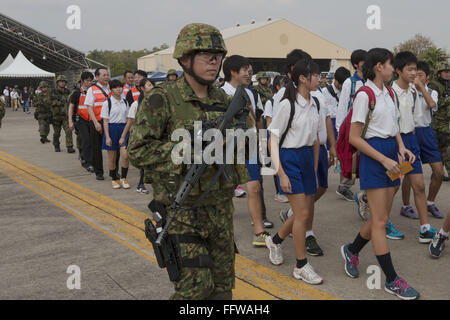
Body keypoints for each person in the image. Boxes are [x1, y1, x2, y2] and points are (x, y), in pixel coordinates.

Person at [128, 23, 251, 300]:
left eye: (217, 56)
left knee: (222, 291)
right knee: (195, 292)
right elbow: (137, 150)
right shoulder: (162, 99)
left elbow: (244, 147)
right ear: (184, 59)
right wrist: (187, 151)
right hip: (181, 212)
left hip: (220, 210)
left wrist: (238, 136)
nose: (214, 61)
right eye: (206, 55)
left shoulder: (224, 100)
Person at [341, 48, 419, 300]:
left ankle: (351, 249)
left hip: (390, 154)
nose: (391, 68)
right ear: (378, 67)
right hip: (375, 157)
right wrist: (384, 158)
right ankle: (392, 280)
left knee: (380, 217)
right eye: (389, 64)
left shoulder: (387, 92)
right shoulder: (365, 95)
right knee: (380, 222)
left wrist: (401, 148)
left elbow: (394, 126)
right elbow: (354, 137)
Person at [266, 58, 323, 285]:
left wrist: (316, 168)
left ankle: (276, 240)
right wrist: (280, 172)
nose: (319, 79)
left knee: (303, 211)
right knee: (302, 215)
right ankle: (301, 266)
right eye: (316, 75)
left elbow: (316, 139)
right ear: (302, 78)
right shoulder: (287, 104)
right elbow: (273, 138)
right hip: (290, 159)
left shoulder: (315, 102)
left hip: (308, 158)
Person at [222, 55, 273, 247]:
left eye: (250, 71)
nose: (249, 74)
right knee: (225, 190)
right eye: (245, 70)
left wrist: (261, 144)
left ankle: (259, 232)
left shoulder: (251, 93)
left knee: (255, 187)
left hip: (250, 144)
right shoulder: (220, 93)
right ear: (233, 72)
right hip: (228, 147)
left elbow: (256, 119)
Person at [392, 51, 437, 243]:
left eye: (415, 70)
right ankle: (378, 213)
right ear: (398, 71)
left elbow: (417, 117)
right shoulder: (390, 92)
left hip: (411, 141)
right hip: (397, 143)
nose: (413, 73)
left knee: (418, 185)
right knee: (391, 185)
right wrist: (399, 144)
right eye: (409, 70)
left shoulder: (412, 91)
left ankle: (425, 228)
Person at [408, 61, 445, 218]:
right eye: (414, 74)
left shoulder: (431, 91)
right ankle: (405, 205)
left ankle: (430, 202)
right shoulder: (407, 91)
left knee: (438, 171)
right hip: (411, 133)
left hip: (427, 133)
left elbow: (431, 104)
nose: (416, 77)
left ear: (427, 78)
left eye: (420, 75)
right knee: (408, 172)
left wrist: (421, 87)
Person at [121, 77, 154, 194]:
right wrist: (123, 137)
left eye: (152, 85)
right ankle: (141, 184)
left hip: (153, 137)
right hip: (140, 137)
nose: (152, 87)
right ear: (142, 88)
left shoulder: (156, 103)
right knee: (143, 161)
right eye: (149, 85)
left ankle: (146, 183)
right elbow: (129, 122)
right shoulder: (136, 104)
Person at [101, 80, 130, 190]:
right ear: (111, 89)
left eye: (120, 87)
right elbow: (105, 121)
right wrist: (107, 136)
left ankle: (124, 177)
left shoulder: (125, 102)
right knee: (112, 157)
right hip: (111, 129)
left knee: (125, 155)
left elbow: (128, 118)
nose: (118, 89)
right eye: (115, 87)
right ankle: (114, 178)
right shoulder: (107, 103)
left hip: (123, 129)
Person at [265, 75, 289, 203]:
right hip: (274, 134)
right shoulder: (271, 102)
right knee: (277, 164)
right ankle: (279, 192)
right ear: (277, 87)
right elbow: (269, 121)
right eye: (282, 85)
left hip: (284, 134)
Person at [85, 67, 111, 180]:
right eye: (103, 75)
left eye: (107, 75)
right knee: (96, 148)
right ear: (97, 77)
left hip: (110, 121)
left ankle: (113, 171)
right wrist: (95, 122)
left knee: (112, 147)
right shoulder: (92, 89)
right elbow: (89, 107)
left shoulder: (112, 88)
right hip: (97, 121)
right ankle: (99, 172)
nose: (106, 77)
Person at [68, 71, 94, 172]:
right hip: (80, 120)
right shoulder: (76, 93)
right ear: (82, 81)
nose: (90, 83)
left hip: (92, 120)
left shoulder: (93, 92)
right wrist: (70, 121)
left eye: (91, 81)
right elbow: (71, 107)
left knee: (92, 141)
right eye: (87, 81)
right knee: (86, 140)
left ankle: (85, 156)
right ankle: (87, 162)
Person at [429, 61, 450, 182]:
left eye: (449, 72)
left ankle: (437, 173)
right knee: (446, 148)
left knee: (442, 149)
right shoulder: (434, 86)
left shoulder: (447, 84)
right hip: (438, 122)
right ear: (439, 73)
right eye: (445, 72)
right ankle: (438, 173)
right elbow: (433, 104)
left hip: (447, 121)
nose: (447, 74)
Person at [322, 67, 351, 147]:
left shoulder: (348, 92)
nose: (342, 86)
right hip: (329, 126)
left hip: (343, 125)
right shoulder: (324, 92)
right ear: (335, 79)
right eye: (340, 84)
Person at [51, 75, 74, 153]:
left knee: (68, 131)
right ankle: (56, 145)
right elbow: (48, 102)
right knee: (57, 133)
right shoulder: (53, 92)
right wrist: (58, 103)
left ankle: (69, 146)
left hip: (65, 116)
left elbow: (72, 102)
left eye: (64, 81)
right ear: (57, 83)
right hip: (56, 116)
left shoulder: (68, 92)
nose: (62, 83)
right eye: (61, 81)